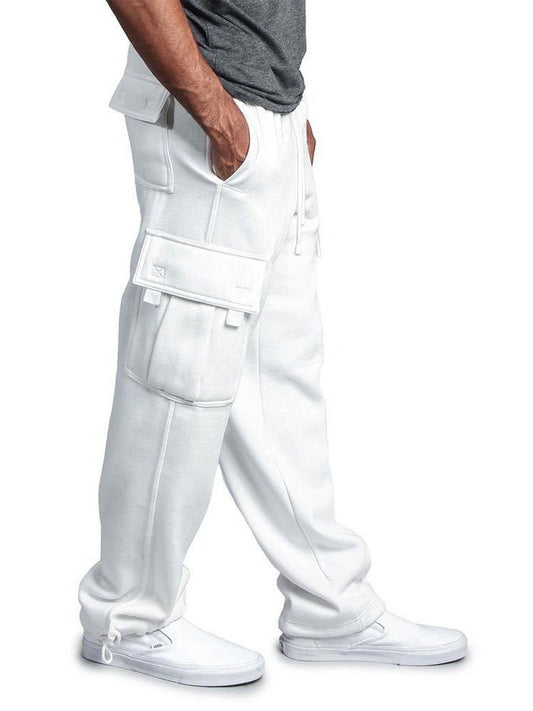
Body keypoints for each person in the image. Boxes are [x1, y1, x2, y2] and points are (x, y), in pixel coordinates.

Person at [79, 0, 467, 686]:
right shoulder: (211, 110)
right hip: (205, 110)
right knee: (181, 370)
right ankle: (128, 616)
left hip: (266, 112)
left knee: (279, 371)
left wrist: (285, 113)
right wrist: (216, 112)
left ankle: (329, 605)